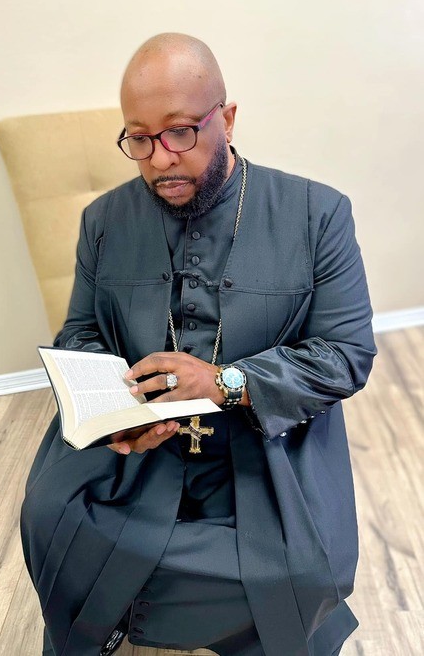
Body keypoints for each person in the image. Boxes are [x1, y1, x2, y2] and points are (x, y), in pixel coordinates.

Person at [20, 33, 377, 656]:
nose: (160, 159)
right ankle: (101, 622)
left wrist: (223, 382)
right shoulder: (103, 221)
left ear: (227, 119)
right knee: (53, 515)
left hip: (265, 445)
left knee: (294, 570)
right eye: (139, 138)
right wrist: (115, 415)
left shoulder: (317, 215)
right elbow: (80, 333)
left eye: (180, 132)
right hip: (140, 445)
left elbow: (346, 354)